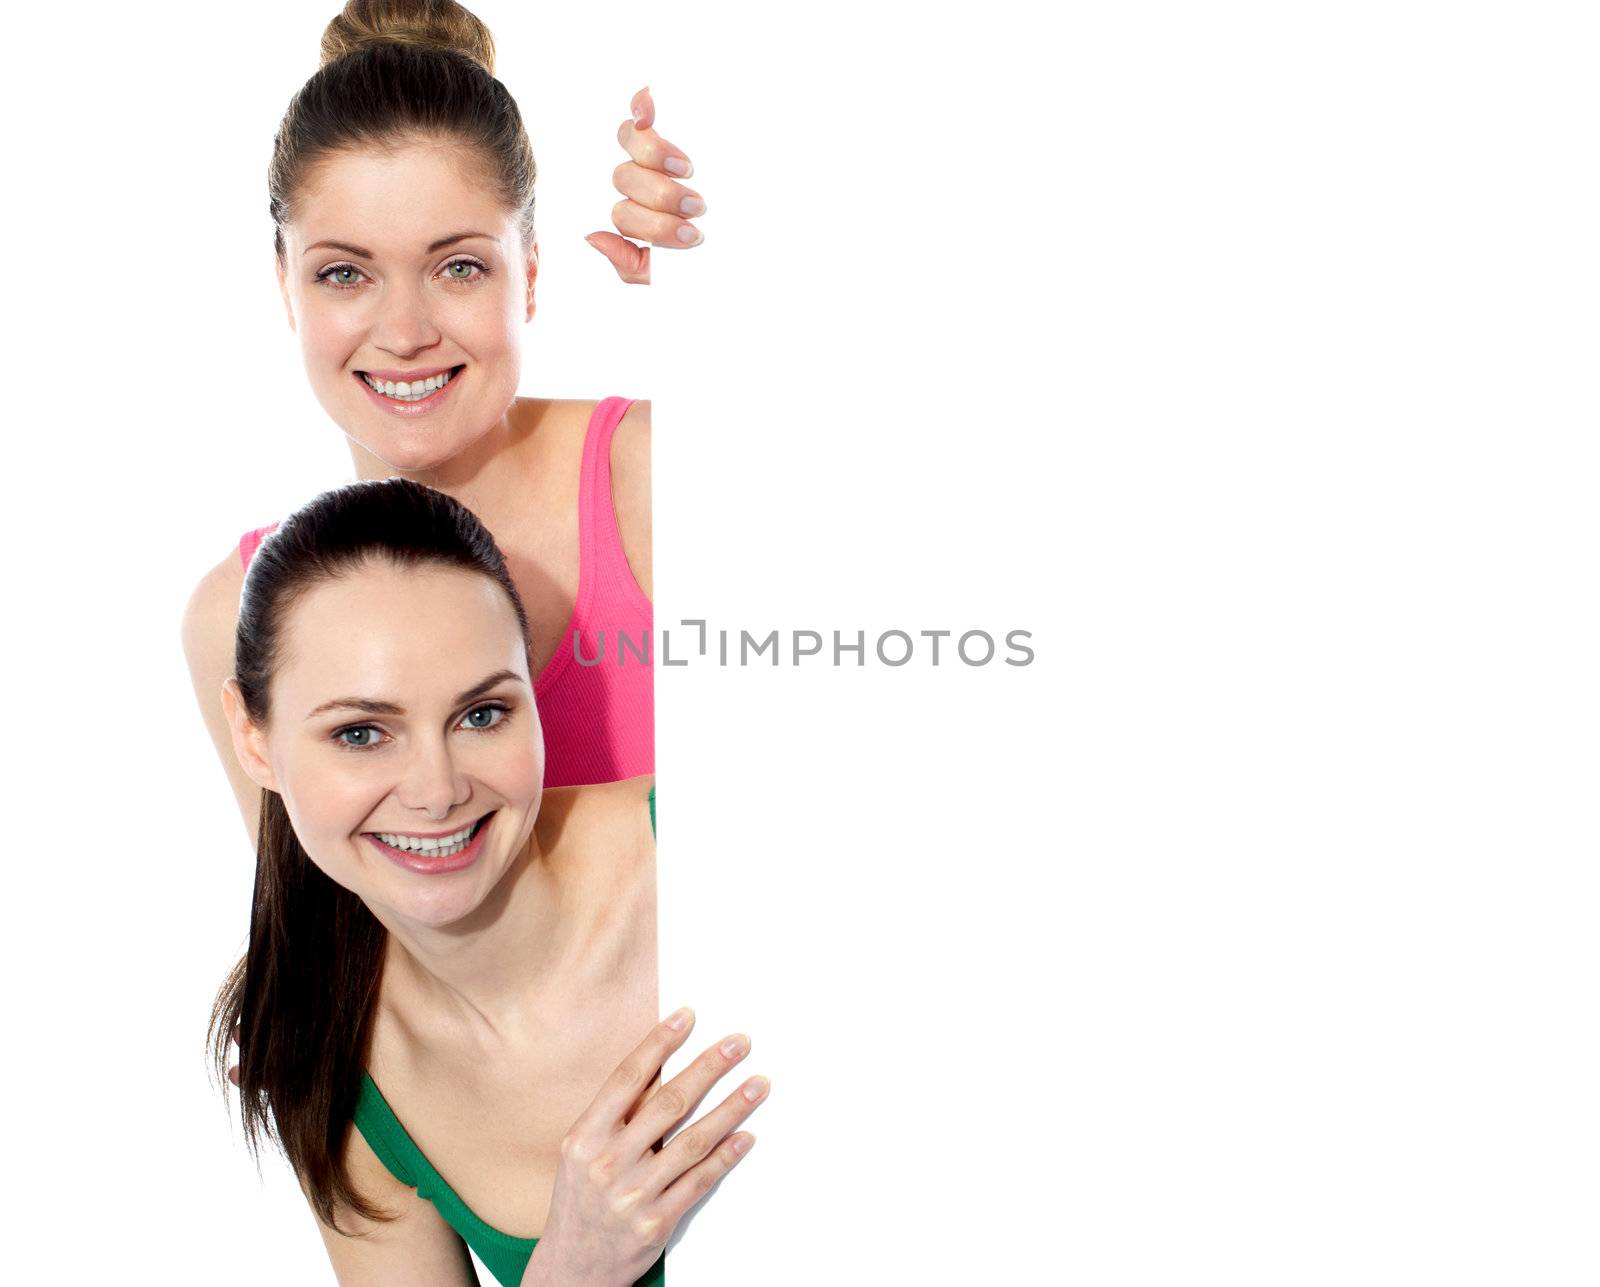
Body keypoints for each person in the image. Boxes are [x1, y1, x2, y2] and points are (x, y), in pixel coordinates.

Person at [214, 478, 764, 1286]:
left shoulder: (716, 846)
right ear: (253, 739)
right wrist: (574, 1267)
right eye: (361, 732)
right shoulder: (337, 1071)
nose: (436, 791)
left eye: (480, 715)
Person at [184, 0, 701, 827]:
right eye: (345, 274)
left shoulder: (660, 475)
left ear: (528, 272)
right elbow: (323, 947)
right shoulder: (241, 611)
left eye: (457, 267)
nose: (404, 334)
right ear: (285, 284)